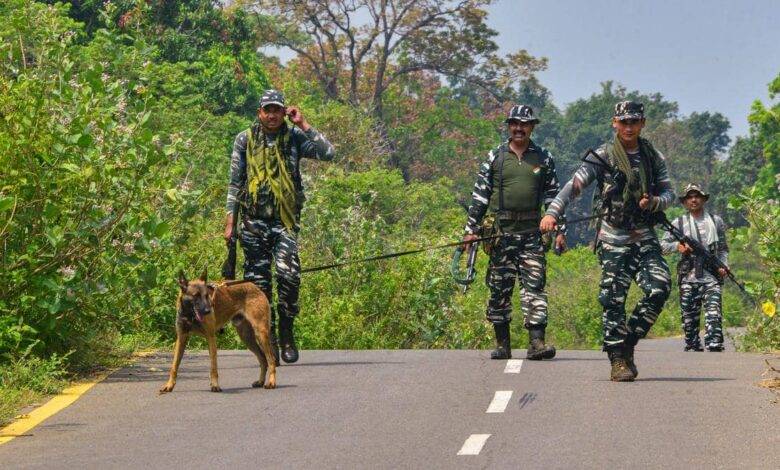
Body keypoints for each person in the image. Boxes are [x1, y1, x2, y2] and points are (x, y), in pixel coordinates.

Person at [540, 101, 675, 382]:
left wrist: (655, 203)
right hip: (613, 237)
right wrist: (553, 212)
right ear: (615, 122)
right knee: (613, 299)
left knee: (659, 287)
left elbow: (669, 193)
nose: (628, 127)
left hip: (645, 236)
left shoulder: (652, 156)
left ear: (642, 124)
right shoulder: (604, 156)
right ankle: (618, 361)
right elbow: (573, 186)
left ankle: (627, 343)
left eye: (634, 122)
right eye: (623, 121)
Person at [225, 89, 335, 364]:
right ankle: (268, 340)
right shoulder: (245, 139)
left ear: (283, 111)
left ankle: (287, 333)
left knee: (289, 277)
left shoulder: (294, 138)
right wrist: (230, 223)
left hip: (285, 223)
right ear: (259, 112)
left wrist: (303, 124)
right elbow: (235, 183)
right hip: (252, 223)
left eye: (277, 110)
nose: (272, 115)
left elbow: (328, 153)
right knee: (258, 287)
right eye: (267, 110)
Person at [463, 105, 567, 361]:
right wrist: (471, 230)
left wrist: (559, 229)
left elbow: (554, 197)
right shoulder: (496, 157)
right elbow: (479, 196)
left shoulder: (543, 158)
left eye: (524, 124)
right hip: (501, 234)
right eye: (514, 124)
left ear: (532, 127)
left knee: (535, 288)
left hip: (532, 234)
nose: (519, 129)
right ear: (508, 126)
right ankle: (503, 344)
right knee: (499, 289)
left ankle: (536, 344)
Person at [661, 183, 729, 352]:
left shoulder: (716, 221)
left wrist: (724, 266)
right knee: (689, 321)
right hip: (688, 277)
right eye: (690, 197)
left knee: (714, 314)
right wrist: (677, 246)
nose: (693, 200)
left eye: (697, 196)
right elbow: (662, 245)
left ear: (703, 199)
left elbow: (722, 249)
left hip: (711, 276)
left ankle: (714, 344)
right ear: (684, 202)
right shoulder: (679, 223)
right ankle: (692, 343)